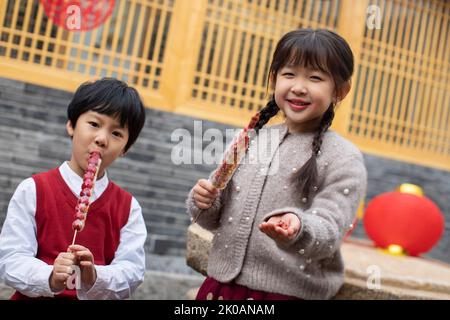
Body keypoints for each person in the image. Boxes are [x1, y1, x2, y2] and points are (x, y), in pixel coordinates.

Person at [187, 28, 367, 300]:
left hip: (285, 294)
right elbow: (213, 218)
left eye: (315, 78)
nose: (298, 86)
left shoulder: (343, 157)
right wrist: (205, 201)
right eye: (289, 74)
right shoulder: (250, 138)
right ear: (274, 79)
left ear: (340, 90)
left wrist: (298, 227)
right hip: (221, 288)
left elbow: (329, 230)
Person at [0, 78, 147, 299]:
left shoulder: (128, 208)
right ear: (71, 124)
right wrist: (49, 275)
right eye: (94, 124)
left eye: (116, 133)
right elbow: (10, 259)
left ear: (126, 147)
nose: (101, 139)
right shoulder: (33, 190)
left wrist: (94, 276)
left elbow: (132, 271)